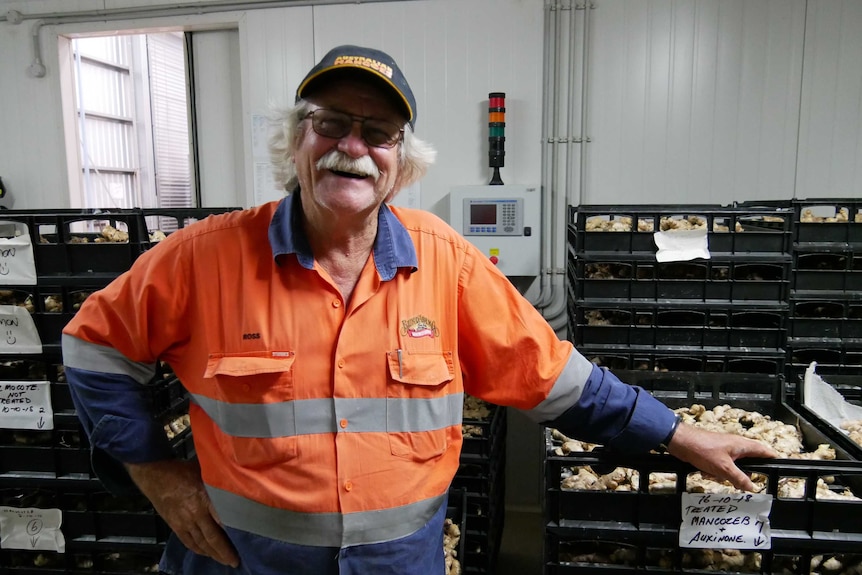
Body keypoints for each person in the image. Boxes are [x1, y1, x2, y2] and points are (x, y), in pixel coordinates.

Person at [62, 44, 778, 575]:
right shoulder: (204, 256)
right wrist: (154, 471)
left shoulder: (448, 261)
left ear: (402, 163)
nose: (353, 147)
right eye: (331, 123)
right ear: (296, 141)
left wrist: (681, 434)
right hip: (239, 561)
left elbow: (556, 378)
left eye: (378, 133)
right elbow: (93, 346)